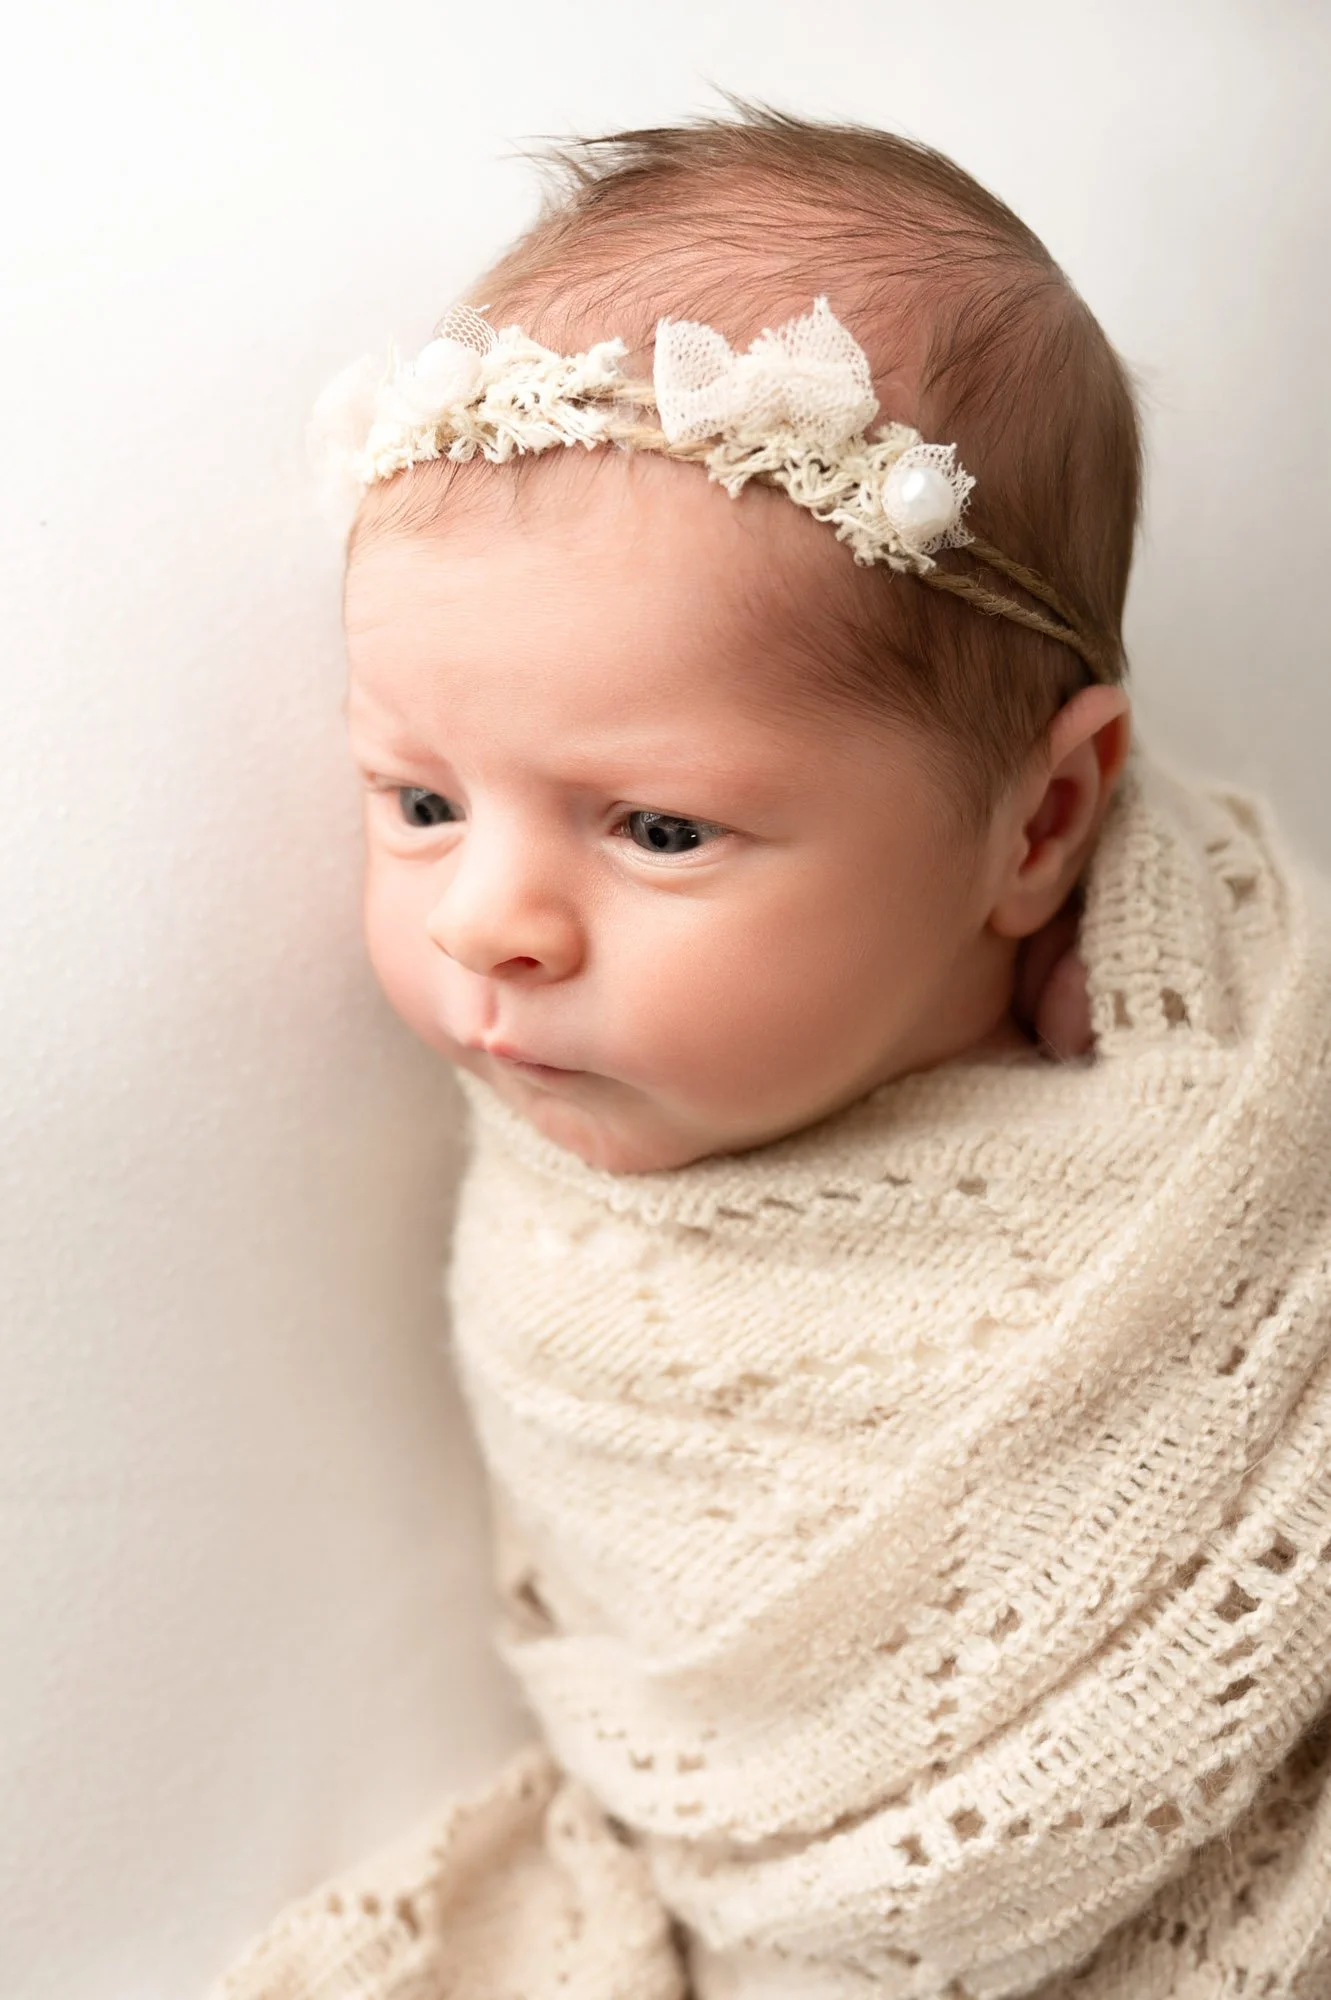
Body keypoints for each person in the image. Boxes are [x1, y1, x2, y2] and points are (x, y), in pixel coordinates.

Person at [209, 108, 1331, 2000]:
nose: (489, 920)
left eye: (653, 831)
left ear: (1042, 827)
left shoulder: (1238, 1092)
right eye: (415, 799)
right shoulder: (587, 1266)